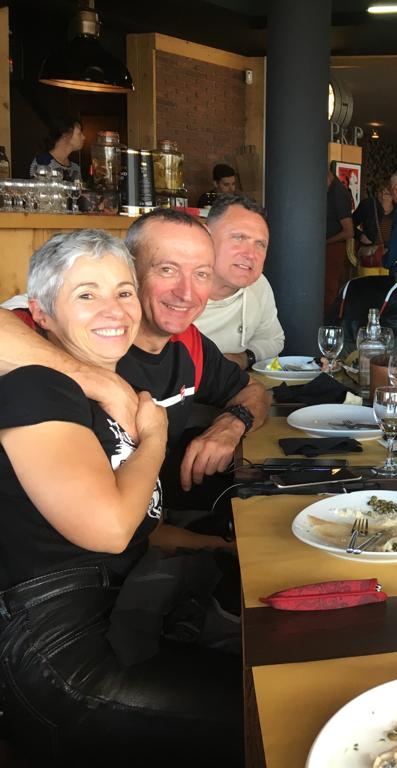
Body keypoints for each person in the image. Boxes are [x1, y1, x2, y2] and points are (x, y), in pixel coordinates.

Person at [0, 230, 240, 766]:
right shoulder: (36, 388)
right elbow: (110, 529)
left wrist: (219, 547)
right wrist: (153, 437)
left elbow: (139, 526)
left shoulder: (101, 398)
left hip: (117, 617)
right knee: (266, 713)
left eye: (124, 292)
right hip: (61, 655)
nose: (114, 309)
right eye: (86, 294)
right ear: (40, 314)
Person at [0, 208, 270, 513]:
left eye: (201, 274)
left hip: (146, 522)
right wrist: (104, 384)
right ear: (129, 271)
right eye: (166, 269)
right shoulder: (67, 331)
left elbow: (254, 391)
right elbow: (109, 529)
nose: (186, 293)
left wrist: (231, 425)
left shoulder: (188, 342)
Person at [197, 195, 285, 369]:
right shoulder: (175, 289)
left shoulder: (258, 285)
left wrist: (245, 358)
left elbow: (273, 339)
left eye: (260, 244)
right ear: (205, 236)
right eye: (239, 238)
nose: (251, 254)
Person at [325, 168, 356, 313]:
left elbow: (349, 231)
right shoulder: (332, 190)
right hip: (330, 247)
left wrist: (326, 242)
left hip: (334, 248)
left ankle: (330, 320)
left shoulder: (338, 194)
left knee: (330, 289)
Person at [29, 116, 83, 182]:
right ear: (65, 135)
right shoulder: (43, 162)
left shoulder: (75, 168)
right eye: (79, 134)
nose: (83, 137)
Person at [353, 180, 394, 251]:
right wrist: (360, 236)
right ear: (377, 193)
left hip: (391, 251)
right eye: (381, 192)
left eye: (387, 193)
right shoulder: (368, 205)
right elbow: (350, 224)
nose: (383, 196)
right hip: (371, 251)